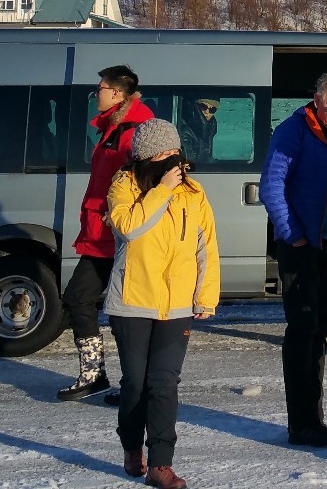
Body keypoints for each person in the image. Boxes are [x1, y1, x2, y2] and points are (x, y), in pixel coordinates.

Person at [106, 118, 221, 489]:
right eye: (164, 154)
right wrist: (161, 191)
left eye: (176, 152)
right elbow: (128, 227)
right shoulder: (124, 186)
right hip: (132, 302)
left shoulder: (193, 192)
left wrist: (205, 297)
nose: (173, 161)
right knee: (135, 384)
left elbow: (207, 248)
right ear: (146, 157)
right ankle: (130, 447)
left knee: (164, 383)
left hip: (177, 306)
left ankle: (161, 463)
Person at [258, 71, 327, 447]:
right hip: (304, 247)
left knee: (320, 331)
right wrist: (294, 236)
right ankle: (301, 422)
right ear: (317, 102)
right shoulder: (294, 131)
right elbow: (272, 185)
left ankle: (313, 418)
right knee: (303, 332)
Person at [57, 65, 157, 402]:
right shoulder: (113, 128)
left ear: (117, 93)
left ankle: (130, 383)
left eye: (100, 88)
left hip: (116, 234)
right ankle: (99, 375)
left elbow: (142, 181)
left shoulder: (132, 131)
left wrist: (115, 214)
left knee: (110, 306)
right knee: (88, 301)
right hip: (103, 233)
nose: (95, 93)